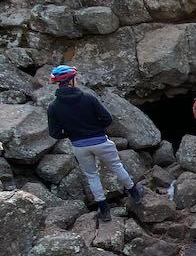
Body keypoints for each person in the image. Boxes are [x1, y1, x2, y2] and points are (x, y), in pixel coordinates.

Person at [46, 65, 144, 222]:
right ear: (71, 81)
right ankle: (135, 194)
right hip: (100, 140)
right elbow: (107, 118)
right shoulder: (88, 97)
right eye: (75, 78)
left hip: (79, 145)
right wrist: (96, 128)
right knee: (117, 167)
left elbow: (54, 133)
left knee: (92, 176)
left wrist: (71, 133)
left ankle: (104, 210)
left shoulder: (54, 107)